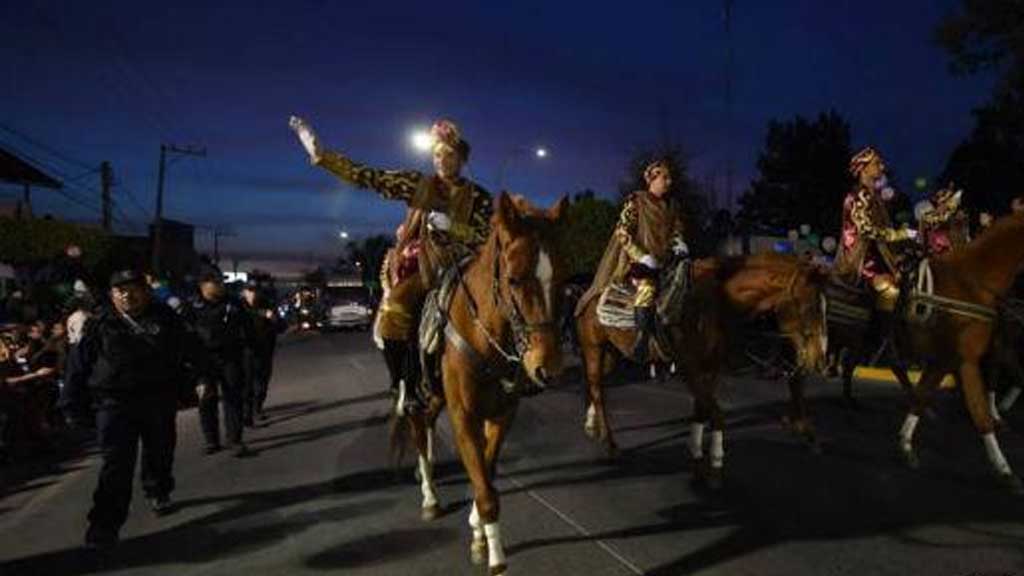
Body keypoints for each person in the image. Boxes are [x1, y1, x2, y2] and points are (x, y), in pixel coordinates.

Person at [290, 116, 492, 405]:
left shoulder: (480, 197)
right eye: (436, 155)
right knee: (395, 309)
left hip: (464, 261)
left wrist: (454, 227)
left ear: (461, 159)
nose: (441, 161)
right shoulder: (416, 183)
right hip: (426, 263)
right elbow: (369, 176)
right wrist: (322, 156)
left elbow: (487, 236)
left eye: (449, 155)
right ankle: (403, 383)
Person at [60, 269, 209, 552]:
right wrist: (70, 403)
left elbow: (193, 348)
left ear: (146, 290)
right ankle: (105, 524)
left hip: (158, 399)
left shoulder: (166, 319)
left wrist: (202, 377)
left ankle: (158, 489)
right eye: (120, 290)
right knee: (115, 464)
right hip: (114, 404)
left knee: (160, 450)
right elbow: (77, 366)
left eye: (133, 288)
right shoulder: (99, 324)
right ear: (112, 294)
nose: (127, 295)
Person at [574, 160, 688, 362]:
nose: (669, 182)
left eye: (670, 178)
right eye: (665, 178)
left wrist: (679, 243)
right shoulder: (637, 201)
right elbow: (622, 231)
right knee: (647, 288)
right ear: (652, 180)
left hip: (667, 259)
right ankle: (642, 341)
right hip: (641, 262)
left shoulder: (672, 205)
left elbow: (677, 229)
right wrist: (641, 256)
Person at [833, 147, 918, 314]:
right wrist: (900, 234)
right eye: (877, 163)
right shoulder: (858, 197)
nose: (882, 167)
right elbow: (866, 230)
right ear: (863, 169)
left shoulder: (875, 197)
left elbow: (884, 230)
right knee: (890, 290)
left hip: (879, 257)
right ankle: (882, 337)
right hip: (862, 262)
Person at [184, 271, 254, 456]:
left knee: (233, 398)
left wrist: (249, 348)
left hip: (230, 357)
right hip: (203, 359)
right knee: (206, 399)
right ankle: (211, 440)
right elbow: (184, 333)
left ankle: (234, 439)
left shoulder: (234, 303)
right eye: (214, 283)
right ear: (203, 286)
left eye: (220, 283)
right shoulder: (192, 305)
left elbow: (248, 327)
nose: (219, 286)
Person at [240, 281, 284, 424]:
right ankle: (246, 414)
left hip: (264, 350)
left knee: (262, 383)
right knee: (247, 384)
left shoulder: (268, 305)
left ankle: (257, 408)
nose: (253, 294)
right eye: (250, 291)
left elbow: (282, 326)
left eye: (255, 291)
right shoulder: (238, 306)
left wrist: (273, 318)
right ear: (244, 292)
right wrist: (260, 313)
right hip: (245, 351)